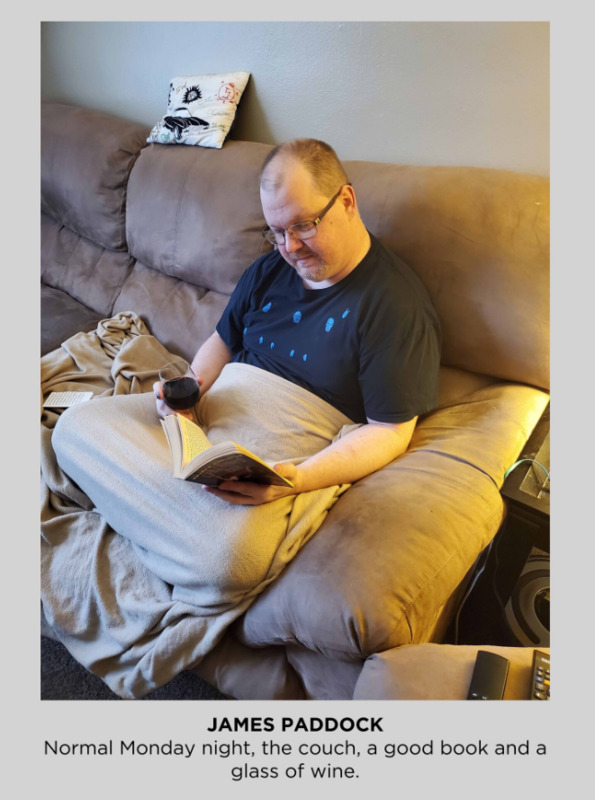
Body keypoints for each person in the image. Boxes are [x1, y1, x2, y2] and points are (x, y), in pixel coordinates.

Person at [154, 138, 441, 506]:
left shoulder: (395, 305)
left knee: (231, 556)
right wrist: (189, 394)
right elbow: (223, 340)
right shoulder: (268, 270)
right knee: (72, 431)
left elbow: (390, 431)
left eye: (303, 225)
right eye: (276, 232)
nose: (289, 247)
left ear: (347, 202)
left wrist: (300, 479)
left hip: (271, 460)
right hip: (206, 430)